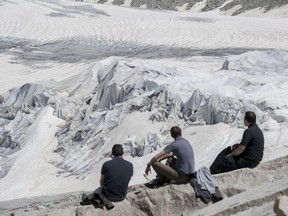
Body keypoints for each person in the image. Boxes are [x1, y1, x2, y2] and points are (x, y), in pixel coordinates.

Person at [81, 144, 133, 209]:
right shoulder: (130, 165)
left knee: (98, 191)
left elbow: (101, 182)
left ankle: (88, 199)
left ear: (112, 153)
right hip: (122, 196)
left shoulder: (107, 164)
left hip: (108, 196)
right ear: (123, 153)